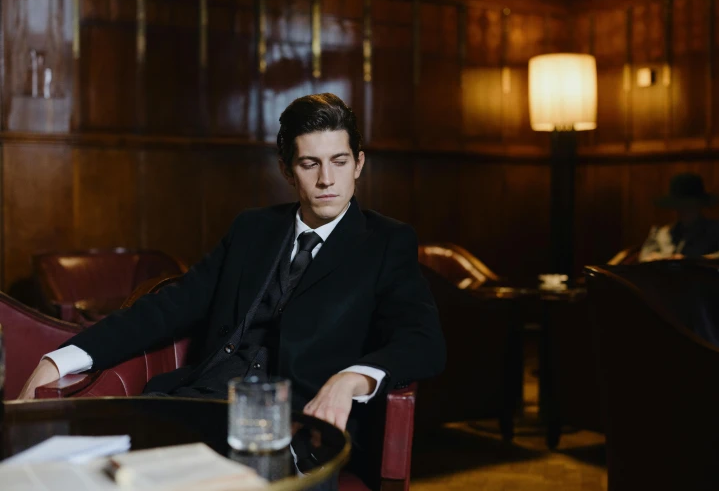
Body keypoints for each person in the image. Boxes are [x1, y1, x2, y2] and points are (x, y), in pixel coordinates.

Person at [19, 93, 446, 440]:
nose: (326, 180)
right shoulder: (252, 230)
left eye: (339, 161)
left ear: (359, 164)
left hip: (295, 426)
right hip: (199, 403)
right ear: (287, 170)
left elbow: (424, 341)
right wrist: (63, 358)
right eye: (309, 163)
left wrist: (351, 379)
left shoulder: (387, 242)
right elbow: (170, 305)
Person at [639, 173, 719, 262]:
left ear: (699, 206)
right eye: (679, 206)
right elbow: (644, 258)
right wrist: (663, 259)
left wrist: (697, 261)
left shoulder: (716, 230)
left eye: (689, 206)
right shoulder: (664, 233)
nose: (683, 210)